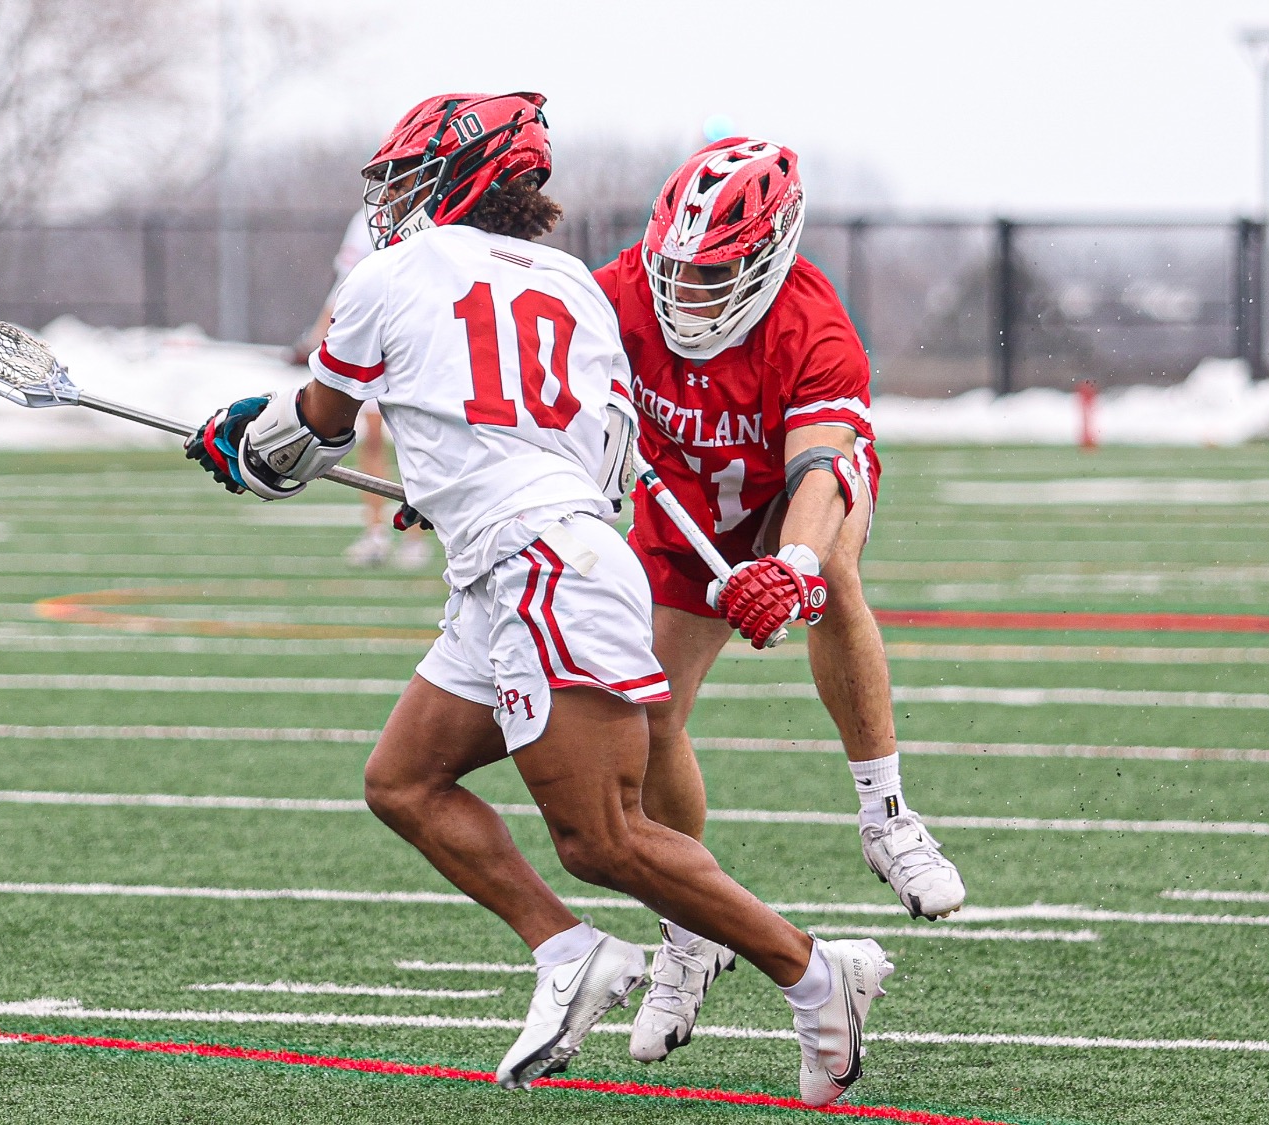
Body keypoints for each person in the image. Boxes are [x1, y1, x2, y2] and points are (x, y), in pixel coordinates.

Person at [186, 92, 893, 1105]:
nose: (391, 198)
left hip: (537, 571)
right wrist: (447, 487)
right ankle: (568, 953)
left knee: (600, 837)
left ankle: (820, 973)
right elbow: (588, 464)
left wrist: (242, 445)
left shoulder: (387, 277)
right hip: (537, 557)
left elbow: (316, 431)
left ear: (464, 180)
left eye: (408, 177)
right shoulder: (575, 288)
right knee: (404, 783)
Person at [591, 137, 965, 1062]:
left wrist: (791, 564)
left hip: (789, 497)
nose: (688, 293)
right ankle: (689, 928)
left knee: (832, 569)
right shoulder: (609, 294)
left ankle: (886, 816)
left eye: (713, 275)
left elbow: (820, 468)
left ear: (767, 260)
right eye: (675, 269)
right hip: (681, 505)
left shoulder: (812, 326)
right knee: (648, 717)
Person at [288, 207, 430, 569]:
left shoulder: (436, 218)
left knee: (412, 439)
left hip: (413, 341)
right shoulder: (365, 219)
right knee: (369, 437)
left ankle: (416, 536)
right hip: (373, 340)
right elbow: (347, 285)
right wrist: (317, 336)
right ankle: (377, 532)